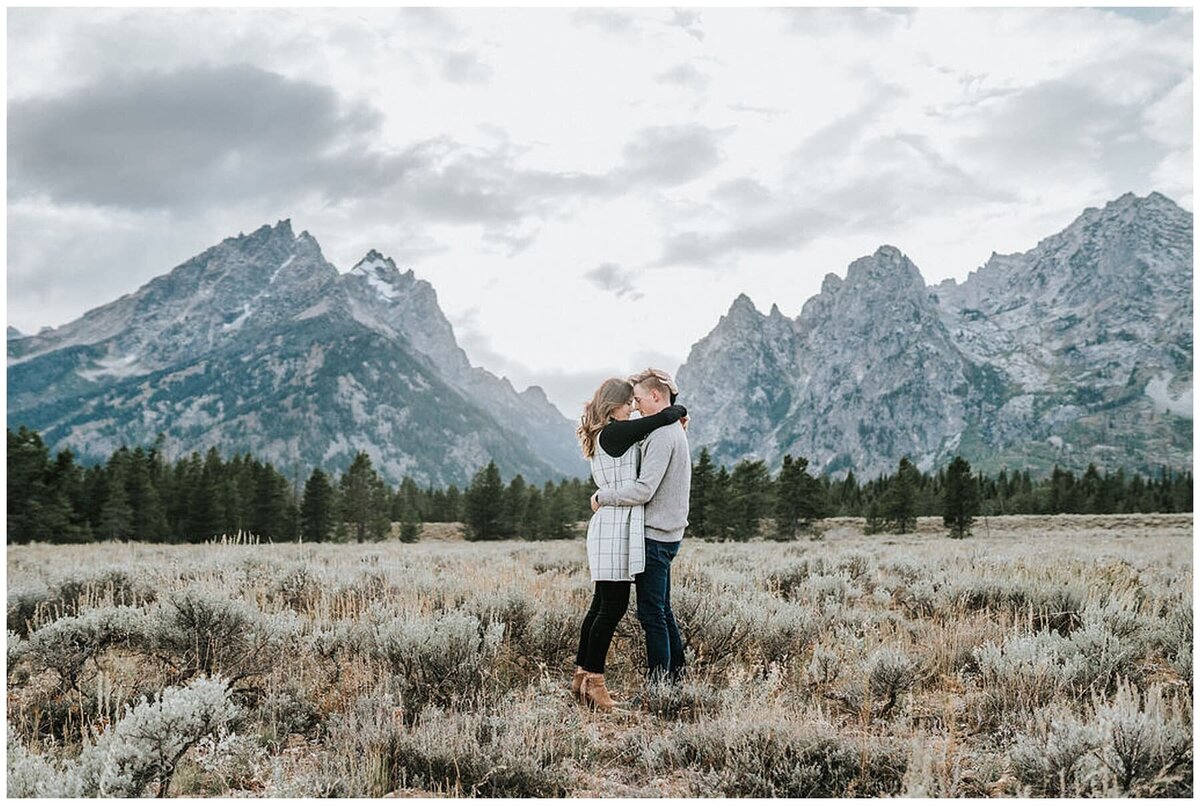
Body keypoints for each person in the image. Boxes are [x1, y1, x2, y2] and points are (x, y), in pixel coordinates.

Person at [572, 377, 687, 711]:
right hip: (614, 526)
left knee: (601, 606)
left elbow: (655, 428)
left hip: (613, 524)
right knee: (611, 608)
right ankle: (595, 682)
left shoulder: (607, 433)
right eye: (628, 405)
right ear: (613, 407)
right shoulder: (613, 432)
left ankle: (582, 676)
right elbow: (660, 419)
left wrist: (676, 418)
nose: (633, 410)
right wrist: (677, 410)